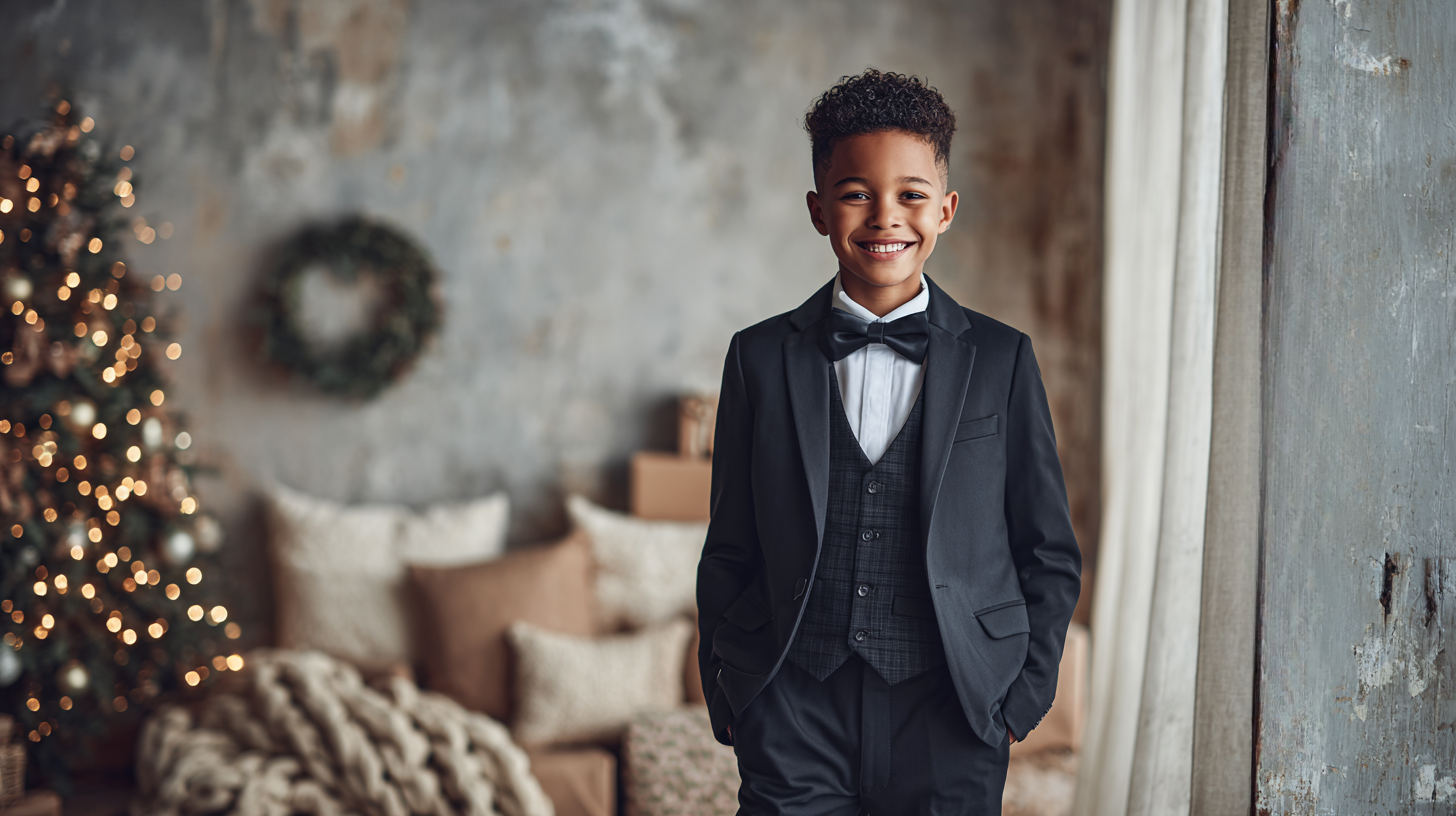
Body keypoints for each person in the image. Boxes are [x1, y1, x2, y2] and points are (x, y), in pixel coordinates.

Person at [694, 69, 1082, 814]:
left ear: (946, 210)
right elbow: (731, 545)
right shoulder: (758, 358)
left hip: (953, 710)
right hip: (793, 706)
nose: (884, 217)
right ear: (818, 209)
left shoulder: (1002, 359)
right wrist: (732, 690)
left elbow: (1047, 550)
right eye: (855, 194)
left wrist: (1020, 699)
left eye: (910, 195)